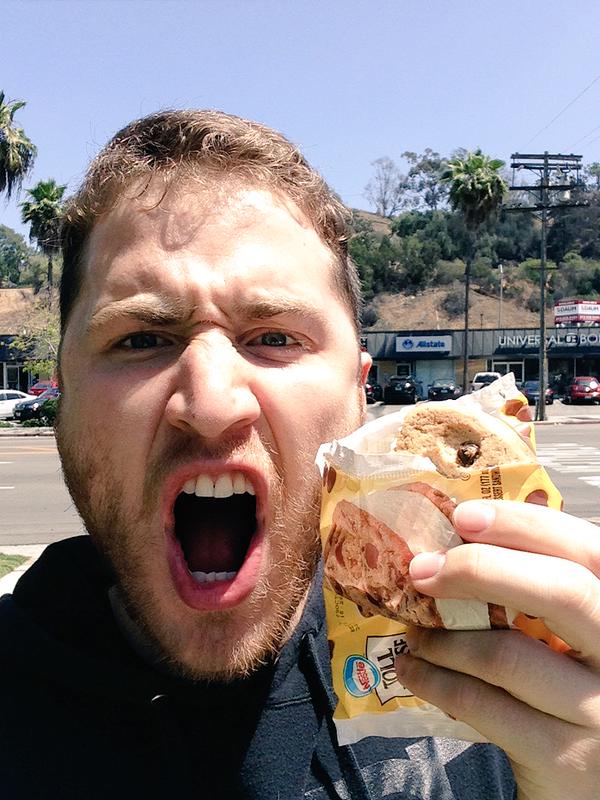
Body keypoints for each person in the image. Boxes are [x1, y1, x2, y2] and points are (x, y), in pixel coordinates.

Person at [0, 110, 598, 800]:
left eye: (276, 338)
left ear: (359, 394)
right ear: (64, 391)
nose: (213, 402)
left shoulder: (501, 705)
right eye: (140, 339)